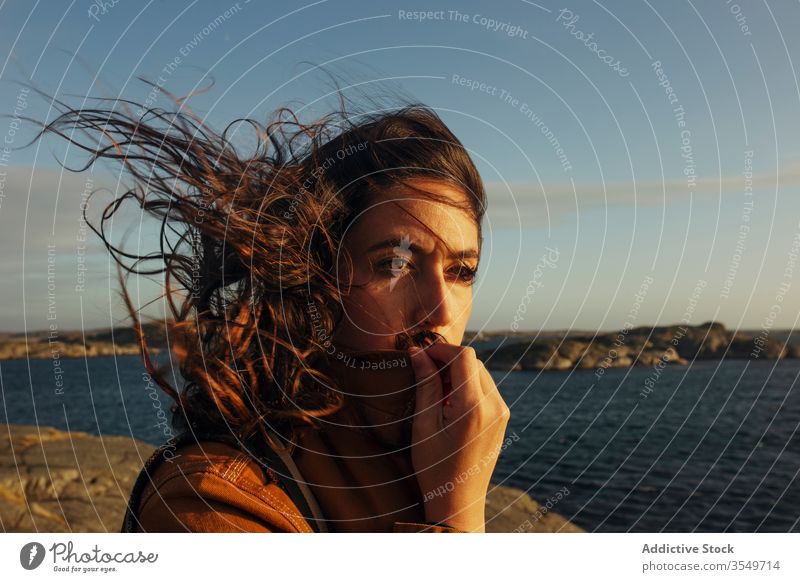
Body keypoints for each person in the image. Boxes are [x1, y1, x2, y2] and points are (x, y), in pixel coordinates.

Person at [30, 83, 511, 532]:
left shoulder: (433, 452)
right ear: (312, 278)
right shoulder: (211, 495)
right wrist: (458, 513)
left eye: (461, 271)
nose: (442, 311)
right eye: (394, 265)